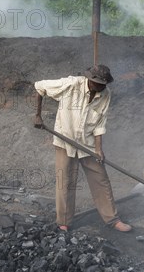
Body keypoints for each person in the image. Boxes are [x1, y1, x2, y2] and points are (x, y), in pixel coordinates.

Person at [34, 64, 132, 233]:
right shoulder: (71, 84)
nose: (101, 87)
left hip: (87, 144)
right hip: (65, 140)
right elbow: (39, 86)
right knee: (65, 181)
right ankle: (63, 221)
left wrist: (99, 149)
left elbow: (100, 124)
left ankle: (112, 219)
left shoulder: (105, 95)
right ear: (90, 80)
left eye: (104, 84)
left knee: (101, 180)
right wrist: (37, 115)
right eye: (98, 84)